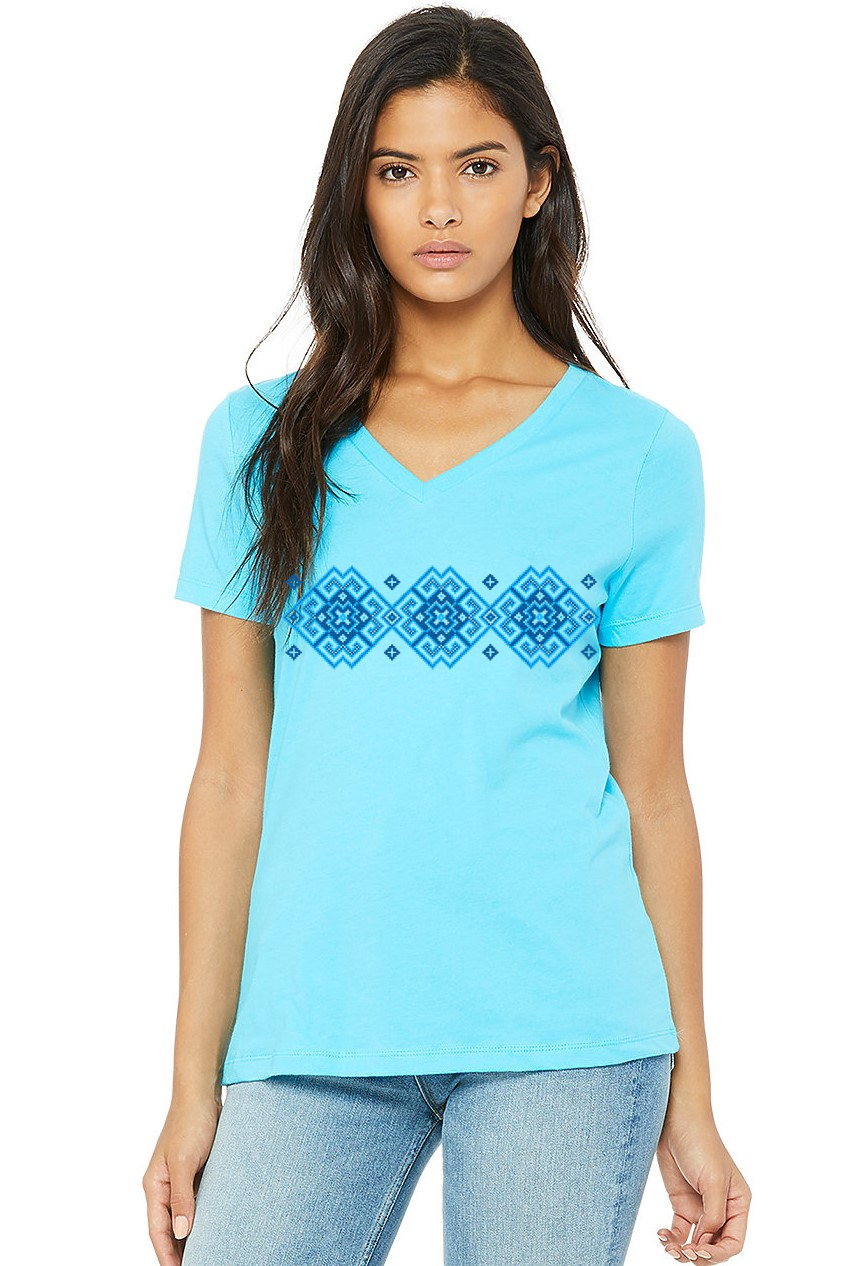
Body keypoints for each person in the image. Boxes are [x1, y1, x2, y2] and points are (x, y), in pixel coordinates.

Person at [142, 7, 751, 1264]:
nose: (437, 208)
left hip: (566, 1030)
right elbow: (229, 780)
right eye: (395, 170)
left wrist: (692, 1093)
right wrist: (192, 1083)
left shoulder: (637, 455)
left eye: (476, 166)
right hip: (313, 1029)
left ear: (537, 183)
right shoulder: (257, 444)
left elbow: (652, 791)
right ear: (354, 191)